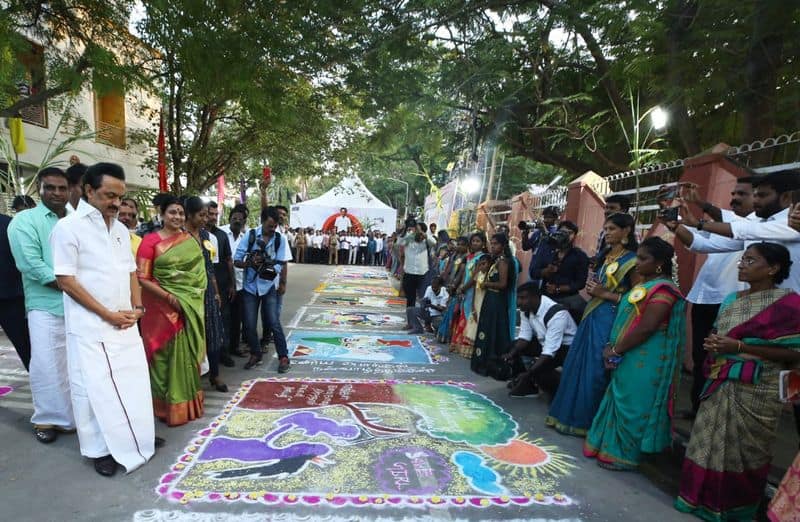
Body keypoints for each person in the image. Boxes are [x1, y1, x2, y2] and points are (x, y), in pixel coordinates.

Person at [675, 242, 800, 521]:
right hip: (720, 381)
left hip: (758, 390)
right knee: (706, 442)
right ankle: (697, 500)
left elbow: (794, 352)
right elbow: (721, 336)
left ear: (773, 268)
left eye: (750, 260)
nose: (742, 264)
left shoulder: (790, 305)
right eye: (743, 259)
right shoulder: (732, 300)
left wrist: (740, 349)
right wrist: (715, 345)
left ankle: (733, 510)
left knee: (745, 452)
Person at [52, 162, 155, 477]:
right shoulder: (68, 228)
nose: (115, 203)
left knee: (131, 383)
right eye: (109, 195)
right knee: (93, 389)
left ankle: (135, 438)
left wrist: (137, 309)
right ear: (88, 190)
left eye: (119, 197)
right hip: (91, 326)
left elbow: (130, 273)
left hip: (125, 321)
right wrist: (107, 314)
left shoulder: (122, 230)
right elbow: (65, 281)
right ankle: (99, 450)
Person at [584, 237, 686, 470]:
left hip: (646, 355)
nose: (637, 263)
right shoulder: (644, 285)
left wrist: (616, 349)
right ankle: (607, 447)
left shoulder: (664, 290)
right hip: (629, 352)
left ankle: (625, 456)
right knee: (620, 395)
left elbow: (647, 327)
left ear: (659, 263)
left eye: (643, 258)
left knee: (634, 402)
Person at [665, 178, 754, 416]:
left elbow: (725, 225)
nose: (734, 198)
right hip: (705, 297)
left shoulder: (755, 227)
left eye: (742, 194)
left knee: (721, 360)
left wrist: (701, 204)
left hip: (732, 301)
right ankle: (698, 409)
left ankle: (711, 414)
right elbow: (697, 243)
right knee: (700, 357)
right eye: (733, 193)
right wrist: (675, 224)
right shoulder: (721, 225)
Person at [546, 213, 638, 436]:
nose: (607, 233)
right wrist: (594, 288)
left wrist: (604, 293)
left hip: (611, 318)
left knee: (596, 370)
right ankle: (567, 416)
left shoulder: (633, 262)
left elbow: (636, 298)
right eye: (606, 229)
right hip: (593, 314)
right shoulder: (606, 257)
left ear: (626, 231)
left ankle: (588, 422)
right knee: (577, 365)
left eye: (612, 229)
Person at [8, 168, 75, 443]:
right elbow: (31, 265)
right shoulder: (24, 221)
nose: (57, 193)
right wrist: (74, 287)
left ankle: (71, 418)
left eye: (62, 188)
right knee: (47, 364)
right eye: (50, 188)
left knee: (73, 365)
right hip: (45, 306)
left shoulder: (75, 220)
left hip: (80, 305)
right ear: (39, 188)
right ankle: (46, 420)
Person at [137, 196, 206, 426]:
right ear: (162, 214)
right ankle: (162, 408)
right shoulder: (150, 241)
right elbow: (142, 278)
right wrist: (170, 297)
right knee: (161, 359)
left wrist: (186, 300)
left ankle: (184, 406)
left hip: (186, 307)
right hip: (158, 310)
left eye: (180, 213)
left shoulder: (189, 240)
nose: (177, 217)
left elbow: (198, 278)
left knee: (184, 358)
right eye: (172, 212)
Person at [234, 206, 290, 373]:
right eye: (269, 226)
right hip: (250, 287)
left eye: (275, 226)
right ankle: (256, 353)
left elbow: (282, 262)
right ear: (262, 222)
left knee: (273, 322)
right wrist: (249, 263)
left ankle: (284, 356)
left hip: (269, 287)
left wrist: (271, 269)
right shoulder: (250, 236)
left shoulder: (281, 239)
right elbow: (237, 260)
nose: (272, 230)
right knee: (250, 325)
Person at [503, 282, 577, 400]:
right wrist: (510, 354)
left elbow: (549, 352)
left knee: (540, 371)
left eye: (523, 298)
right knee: (512, 347)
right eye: (518, 298)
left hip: (566, 349)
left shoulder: (557, 314)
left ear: (535, 297)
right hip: (545, 343)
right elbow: (524, 338)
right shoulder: (526, 310)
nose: (519, 302)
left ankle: (559, 396)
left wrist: (529, 373)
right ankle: (528, 387)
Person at [471, 233, 519, 379]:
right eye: (491, 243)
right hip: (490, 298)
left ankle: (492, 364)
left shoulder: (504, 262)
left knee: (493, 330)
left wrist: (486, 284)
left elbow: (503, 284)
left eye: (495, 244)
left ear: (503, 246)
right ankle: (484, 362)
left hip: (496, 299)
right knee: (487, 328)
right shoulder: (496, 260)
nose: (492, 246)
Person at [205, 201, 236, 368]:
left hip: (222, 285)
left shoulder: (221, 236)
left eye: (216, 214)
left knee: (224, 319)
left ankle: (224, 352)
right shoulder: (195, 234)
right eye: (210, 214)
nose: (213, 217)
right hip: (202, 285)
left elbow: (228, 260)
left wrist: (232, 284)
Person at [540, 220, 590, 322]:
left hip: (569, 301)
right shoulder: (548, 251)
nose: (565, 235)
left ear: (575, 236)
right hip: (546, 299)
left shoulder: (580, 256)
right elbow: (534, 272)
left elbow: (580, 283)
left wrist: (558, 288)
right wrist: (546, 271)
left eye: (569, 233)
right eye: (562, 232)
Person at [0, 211, 31, 370]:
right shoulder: (9, 223)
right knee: (27, 347)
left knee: (27, 346)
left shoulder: (9, 224)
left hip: (12, 297)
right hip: (12, 295)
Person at [450, 232, 487, 357]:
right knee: (463, 314)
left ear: (483, 244)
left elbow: (475, 276)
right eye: (473, 241)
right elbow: (465, 274)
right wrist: (461, 287)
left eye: (478, 241)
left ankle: (470, 348)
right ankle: (460, 344)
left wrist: (464, 288)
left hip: (474, 290)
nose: (475, 243)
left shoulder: (482, 258)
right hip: (466, 290)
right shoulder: (470, 256)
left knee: (471, 315)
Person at [219, 204, 249, 358]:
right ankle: (223, 350)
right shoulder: (222, 233)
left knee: (237, 317)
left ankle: (235, 346)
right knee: (225, 317)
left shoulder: (246, 238)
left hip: (241, 283)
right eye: (234, 218)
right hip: (224, 283)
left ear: (244, 221)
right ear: (229, 219)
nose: (237, 220)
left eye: (240, 219)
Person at [399, 222, 436, 334]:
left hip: (423, 274)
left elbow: (434, 243)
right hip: (409, 273)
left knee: (425, 299)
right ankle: (411, 323)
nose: (417, 233)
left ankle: (427, 324)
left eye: (419, 231)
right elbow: (400, 242)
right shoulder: (409, 240)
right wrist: (409, 232)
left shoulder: (427, 241)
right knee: (410, 299)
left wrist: (424, 234)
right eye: (416, 230)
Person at [437, 236, 468, 343]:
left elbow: (461, 274)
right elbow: (448, 269)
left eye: (462, 244)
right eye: (458, 244)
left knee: (453, 311)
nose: (459, 246)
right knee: (448, 309)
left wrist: (454, 285)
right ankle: (443, 333)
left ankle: (448, 335)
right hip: (449, 285)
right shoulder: (454, 255)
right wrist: (444, 281)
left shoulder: (465, 257)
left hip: (457, 287)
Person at [521, 206, 559, 287]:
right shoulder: (537, 232)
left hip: (545, 274)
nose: (546, 220)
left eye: (549, 217)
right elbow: (525, 247)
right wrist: (525, 235)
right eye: (545, 217)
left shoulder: (557, 232)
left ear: (555, 218)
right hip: (533, 272)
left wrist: (544, 229)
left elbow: (552, 241)